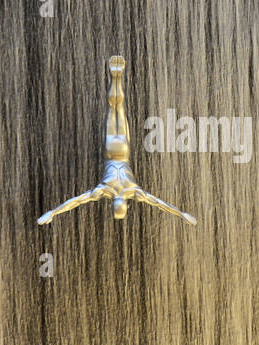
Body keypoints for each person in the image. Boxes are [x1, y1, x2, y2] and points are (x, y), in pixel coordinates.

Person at [38, 55, 197, 226]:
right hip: (112, 150)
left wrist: (53, 213)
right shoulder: (110, 191)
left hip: (121, 150)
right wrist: (181, 215)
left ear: (125, 205)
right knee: (114, 108)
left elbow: (76, 201)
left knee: (118, 108)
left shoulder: (124, 191)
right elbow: (160, 204)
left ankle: (117, 78)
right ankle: (116, 78)